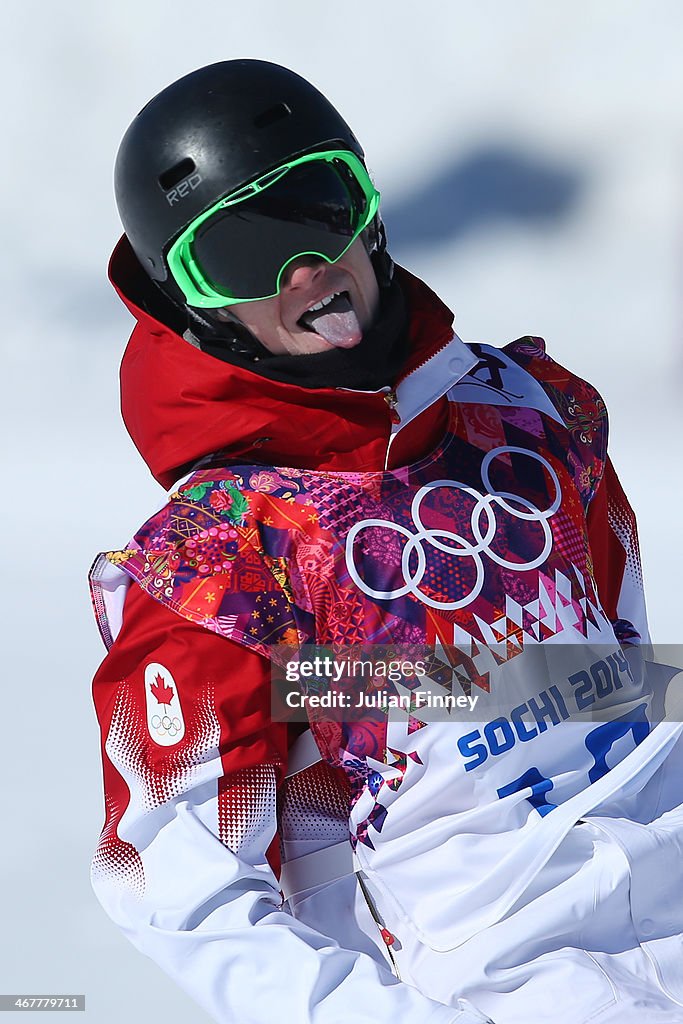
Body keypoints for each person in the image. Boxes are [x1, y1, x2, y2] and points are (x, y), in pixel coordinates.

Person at [89, 59, 683, 1024]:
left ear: (367, 208)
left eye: (319, 206)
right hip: (508, 976)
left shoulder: (528, 412)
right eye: (239, 252)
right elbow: (173, 884)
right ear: (192, 306)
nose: (304, 269)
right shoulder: (212, 563)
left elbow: (620, 671)